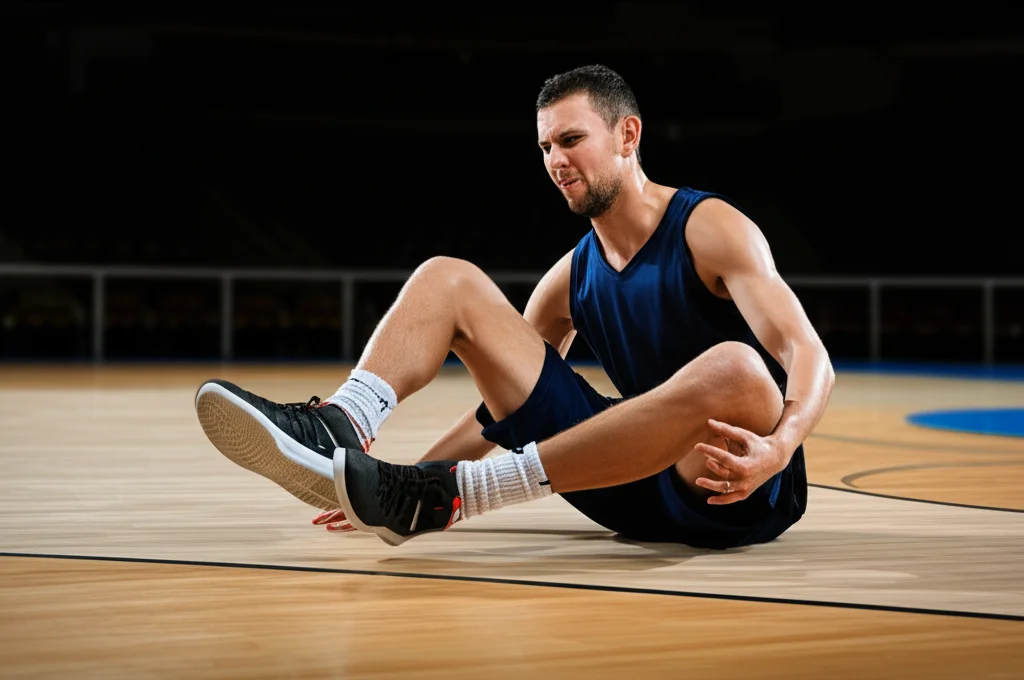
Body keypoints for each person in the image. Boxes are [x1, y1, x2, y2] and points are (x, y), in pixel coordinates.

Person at [195, 64, 834, 550]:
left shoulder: (710, 227)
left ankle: (460, 497)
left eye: (572, 139)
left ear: (627, 135)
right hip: (615, 479)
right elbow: (505, 410)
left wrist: (781, 446)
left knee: (740, 368)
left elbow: (807, 353)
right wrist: (396, 480)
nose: (556, 161)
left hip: (732, 484)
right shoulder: (569, 278)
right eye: (546, 148)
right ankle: (343, 425)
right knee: (448, 278)